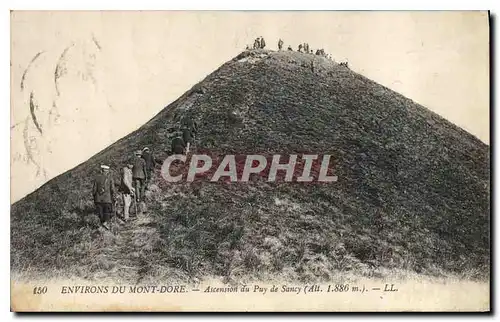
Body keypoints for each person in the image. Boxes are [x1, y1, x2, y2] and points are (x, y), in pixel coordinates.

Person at [92, 164, 116, 230]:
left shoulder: (96, 177)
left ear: (102, 170)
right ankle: (107, 229)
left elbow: (94, 190)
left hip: (98, 199)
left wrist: (95, 197)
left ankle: (102, 228)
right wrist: (114, 196)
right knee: (107, 213)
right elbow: (112, 189)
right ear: (107, 170)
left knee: (101, 214)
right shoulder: (110, 178)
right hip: (107, 199)